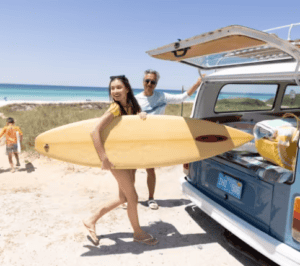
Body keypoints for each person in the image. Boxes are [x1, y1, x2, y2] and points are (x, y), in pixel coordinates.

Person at [82, 75, 158, 246]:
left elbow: (132, 127)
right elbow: (95, 131)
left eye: (118, 87)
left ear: (127, 89)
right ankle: (138, 233)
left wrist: (142, 115)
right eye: (112, 88)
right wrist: (104, 158)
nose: (115, 91)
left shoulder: (131, 106)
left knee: (123, 197)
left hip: (128, 157)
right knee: (132, 197)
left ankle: (91, 219)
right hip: (115, 159)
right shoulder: (115, 108)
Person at [134, 69, 203, 210]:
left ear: (156, 83)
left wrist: (197, 83)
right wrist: (137, 114)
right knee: (130, 169)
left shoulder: (162, 96)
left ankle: (151, 198)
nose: (149, 84)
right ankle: (127, 197)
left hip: (153, 139)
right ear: (143, 82)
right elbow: (128, 116)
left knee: (150, 169)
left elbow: (183, 97)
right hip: (137, 138)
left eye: (152, 82)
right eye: (147, 81)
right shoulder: (136, 99)